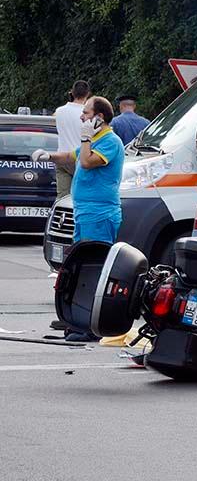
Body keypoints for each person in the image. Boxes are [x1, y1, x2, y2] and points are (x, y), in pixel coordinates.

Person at [33, 97, 125, 341]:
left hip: (100, 212)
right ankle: (75, 318)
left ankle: (93, 327)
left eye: (86, 113)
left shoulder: (110, 142)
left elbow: (86, 161)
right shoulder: (94, 140)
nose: (82, 117)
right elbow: (71, 157)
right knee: (80, 267)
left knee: (94, 269)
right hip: (84, 211)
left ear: (99, 117)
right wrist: (49, 156)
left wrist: (85, 138)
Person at [52, 80, 91, 199]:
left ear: (72, 93)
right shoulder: (88, 113)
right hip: (80, 158)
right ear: (88, 94)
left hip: (62, 159)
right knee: (82, 196)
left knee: (63, 197)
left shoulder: (59, 111)